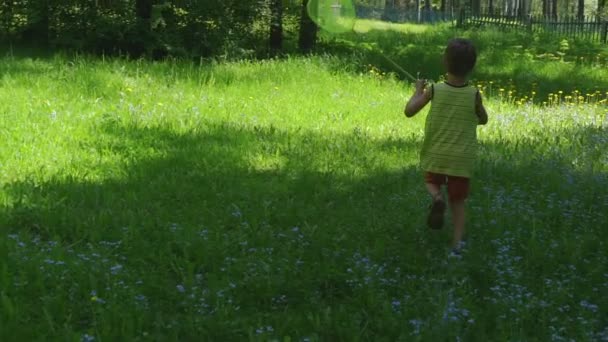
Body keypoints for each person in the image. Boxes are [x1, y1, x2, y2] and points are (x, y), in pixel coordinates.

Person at [404, 38, 488, 255]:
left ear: (445, 62)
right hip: (461, 158)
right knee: (458, 201)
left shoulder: (434, 90)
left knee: (432, 181)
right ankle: (457, 245)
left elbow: (409, 110)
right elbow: (483, 119)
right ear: (472, 66)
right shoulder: (474, 94)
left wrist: (417, 91)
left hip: (437, 153)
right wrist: (477, 110)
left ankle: (437, 197)